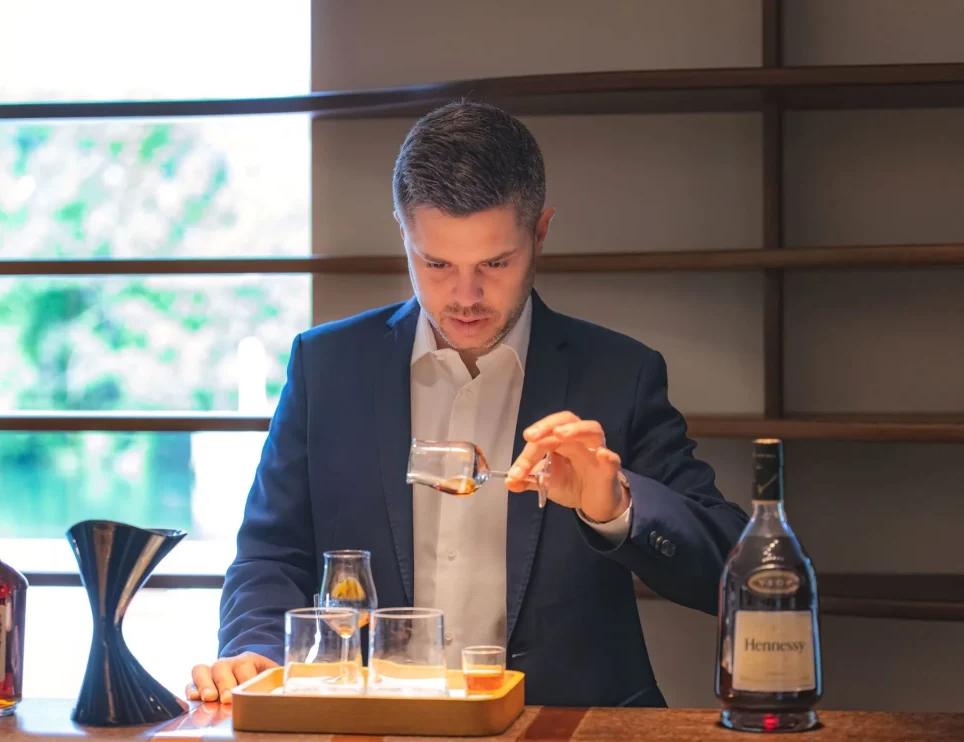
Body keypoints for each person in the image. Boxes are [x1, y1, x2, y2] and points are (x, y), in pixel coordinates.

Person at [187, 101, 749, 708]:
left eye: (495, 263)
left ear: (540, 233)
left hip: (570, 727)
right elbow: (271, 554)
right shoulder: (327, 367)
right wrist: (257, 651)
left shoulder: (620, 373)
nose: (465, 296)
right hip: (373, 723)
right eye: (435, 263)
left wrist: (616, 507)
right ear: (403, 233)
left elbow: (735, 568)